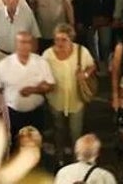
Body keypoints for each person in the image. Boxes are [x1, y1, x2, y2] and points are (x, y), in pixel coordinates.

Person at [43, 23, 96, 165]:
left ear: (71, 39)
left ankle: (76, 161)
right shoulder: (47, 55)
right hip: (56, 99)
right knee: (58, 131)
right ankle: (59, 158)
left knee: (75, 133)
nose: (59, 43)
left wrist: (85, 74)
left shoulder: (81, 51)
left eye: (64, 39)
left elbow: (92, 65)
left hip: (76, 100)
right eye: (57, 39)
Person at [0, 30, 54, 140]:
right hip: (12, 114)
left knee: (35, 144)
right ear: (16, 44)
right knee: (14, 144)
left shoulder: (41, 62)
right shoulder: (4, 64)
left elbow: (51, 86)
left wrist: (34, 89)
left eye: (28, 42)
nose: (25, 46)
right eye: (22, 42)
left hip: (36, 113)